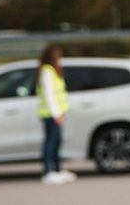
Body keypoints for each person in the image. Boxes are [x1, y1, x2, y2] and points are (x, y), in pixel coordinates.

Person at [37, 45, 76, 185]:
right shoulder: (47, 72)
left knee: (57, 142)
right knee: (50, 143)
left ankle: (57, 170)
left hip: (56, 113)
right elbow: (49, 95)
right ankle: (48, 171)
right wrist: (56, 114)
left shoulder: (53, 71)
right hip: (51, 114)